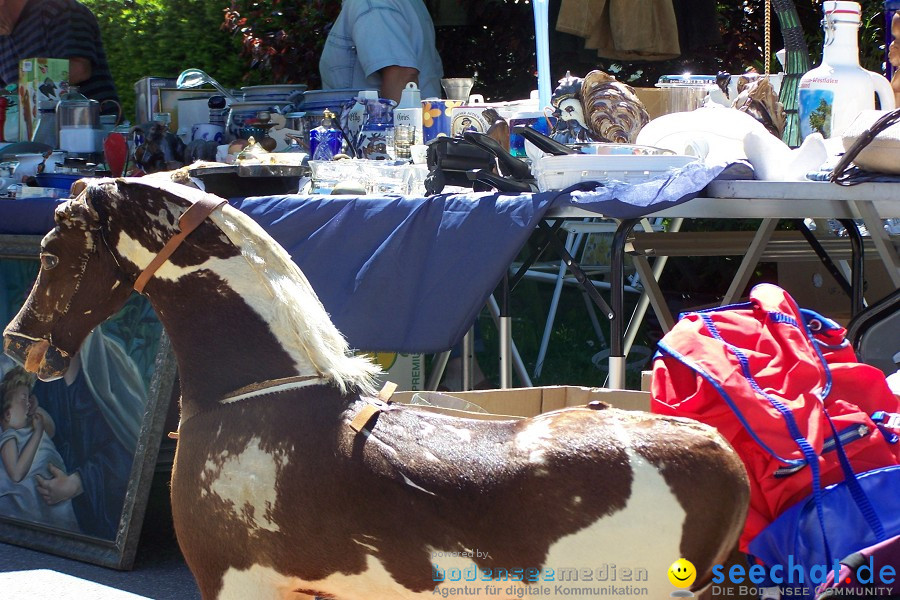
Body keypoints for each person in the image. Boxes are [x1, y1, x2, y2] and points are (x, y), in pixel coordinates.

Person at [0, 0, 119, 111]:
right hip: (42, 131)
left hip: (92, 126)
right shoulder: (2, 39)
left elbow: (80, 69)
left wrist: (17, 91)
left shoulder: (57, 9)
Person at [0, 366, 79, 531]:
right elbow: (16, 474)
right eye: (23, 399)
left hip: (56, 493)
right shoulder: (9, 438)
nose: (28, 403)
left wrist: (34, 410)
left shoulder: (25, 424)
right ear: (7, 414)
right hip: (35, 501)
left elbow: (51, 429)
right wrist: (37, 433)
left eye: (29, 397)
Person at [319, 0, 443, 103]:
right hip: (424, 125)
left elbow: (401, 75)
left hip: (387, 130)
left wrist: (399, 130)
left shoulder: (369, 3)